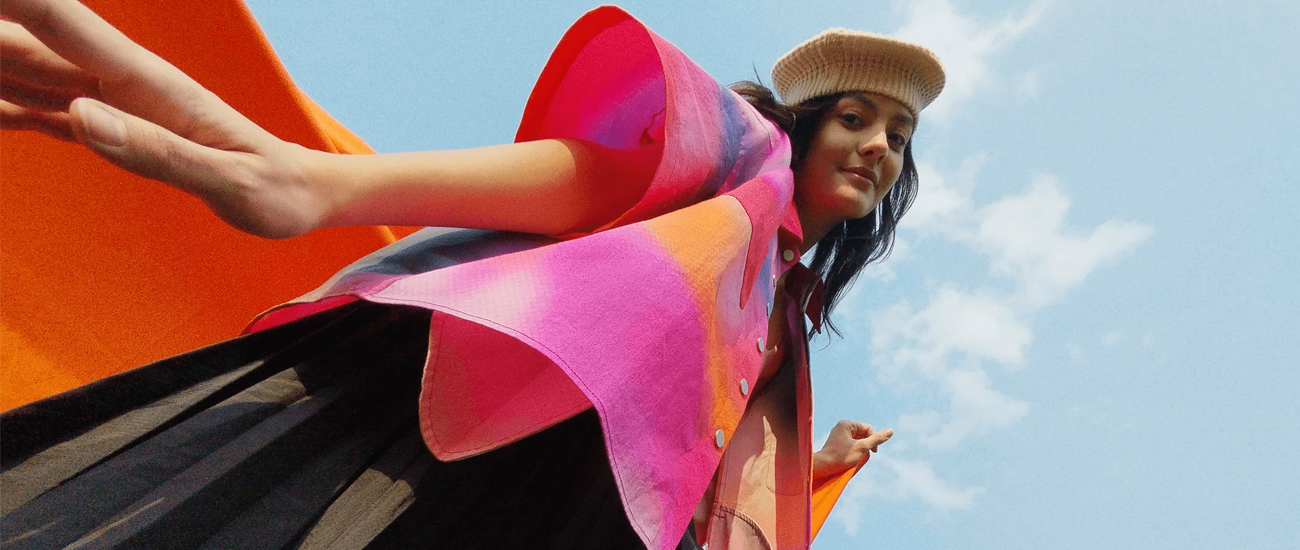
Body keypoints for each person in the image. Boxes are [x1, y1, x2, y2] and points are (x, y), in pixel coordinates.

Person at [0, 1, 944, 549]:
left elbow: (703, 486)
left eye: (897, 136)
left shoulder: (784, 323)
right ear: (804, 123)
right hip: (438, 445)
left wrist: (813, 466)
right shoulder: (737, 163)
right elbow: (602, 183)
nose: (877, 146)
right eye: (855, 117)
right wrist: (317, 183)